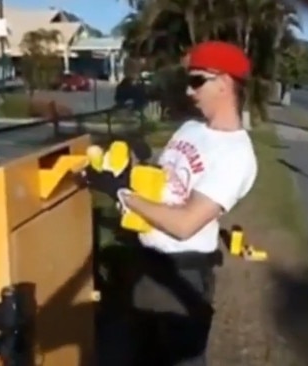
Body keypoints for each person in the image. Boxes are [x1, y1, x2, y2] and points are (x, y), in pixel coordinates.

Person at [87, 41, 258, 366]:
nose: (190, 91)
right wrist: (131, 166)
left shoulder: (236, 156)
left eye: (197, 80)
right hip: (146, 260)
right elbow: (165, 183)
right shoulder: (191, 128)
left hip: (183, 275)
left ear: (223, 84)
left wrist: (123, 193)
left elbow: (184, 224)